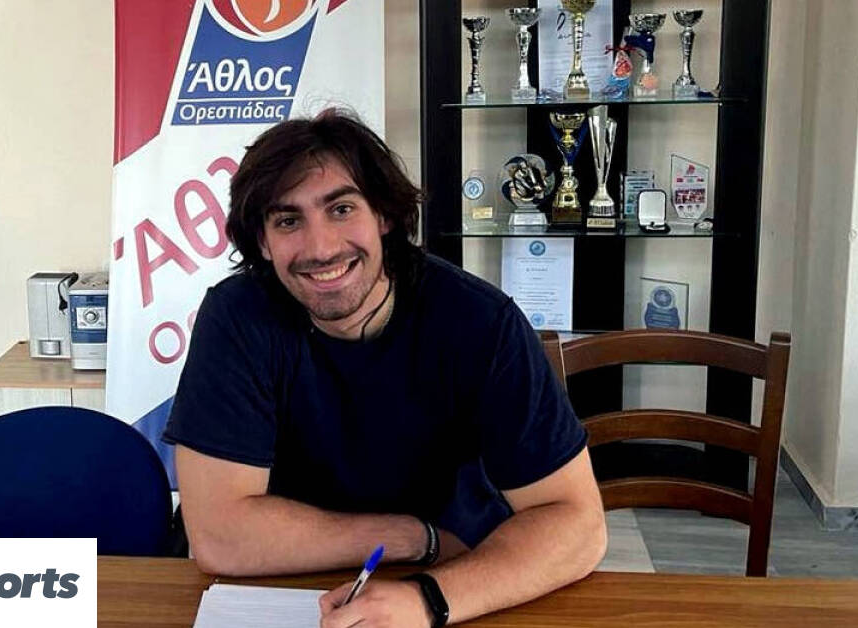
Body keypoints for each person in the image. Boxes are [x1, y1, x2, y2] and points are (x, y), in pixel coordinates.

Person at [164, 109, 606, 628]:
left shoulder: (481, 322)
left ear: (384, 215)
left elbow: (578, 526)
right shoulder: (237, 317)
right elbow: (219, 537)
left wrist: (427, 600)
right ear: (262, 242)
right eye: (287, 221)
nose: (321, 248)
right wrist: (415, 537)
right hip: (282, 582)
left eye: (341, 208)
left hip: (452, 579)